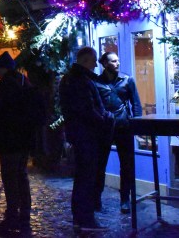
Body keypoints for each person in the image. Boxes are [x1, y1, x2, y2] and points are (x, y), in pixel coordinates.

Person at [60, 46, 114, 233]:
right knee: (86, 179)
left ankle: (80, 218)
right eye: (93, 60)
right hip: (86, 137)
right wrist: (104, 119)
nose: (95, 64)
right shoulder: (79, 80)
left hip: (81, 135)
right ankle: (86, 220)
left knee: (82, 178)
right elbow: (87, 110)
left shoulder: (72, 79)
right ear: (85, 61)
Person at [0, 50, 43, 235]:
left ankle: (12, 217)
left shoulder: (4, 85)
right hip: (25, 139)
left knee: (10, 179)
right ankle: (25, 218)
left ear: (2, 69)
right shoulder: (25, 82)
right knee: (21, 177)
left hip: (10, 139)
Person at [95, 51, 143, 214]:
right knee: (100, 164)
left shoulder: (127, 80)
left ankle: (125, 199)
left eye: (118, 60)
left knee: (127, 165)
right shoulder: (97, 82)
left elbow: (136, 103)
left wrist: (137, 125)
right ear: (105, 64)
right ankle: (96, 198)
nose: (118, 63)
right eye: (114, 61)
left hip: (124, 126)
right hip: (103, 128)